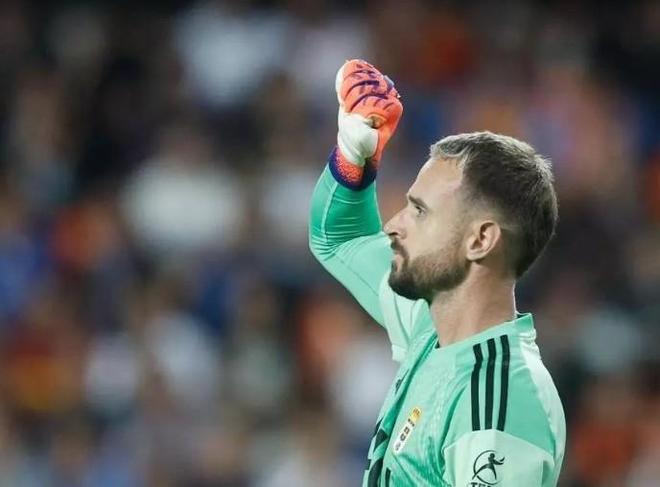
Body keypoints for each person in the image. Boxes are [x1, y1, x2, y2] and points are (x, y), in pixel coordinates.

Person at [309, 60, 566, 486]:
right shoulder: (430, 326)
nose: (393, 225)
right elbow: (338, 239)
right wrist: (355, 154)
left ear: (480, 240)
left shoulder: (498, 405)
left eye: (419, 211)